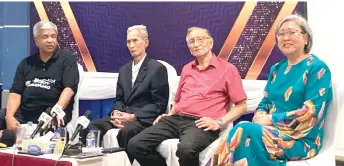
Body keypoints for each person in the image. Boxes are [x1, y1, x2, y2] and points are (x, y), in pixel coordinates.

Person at [209, 14, 333, 166]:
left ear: (306, 38)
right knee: (243, 136)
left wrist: (270, 120)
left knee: (244, 131)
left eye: (292, 32)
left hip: (301, 139)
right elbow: (266, 101)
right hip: (271, 131)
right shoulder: (276, 69)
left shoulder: (317, 68)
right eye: (281, 34)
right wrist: (260, 114)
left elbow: (311, 113)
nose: (285, 38)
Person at [127, 27, 248, 166]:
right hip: (176, 119)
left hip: (201, 123)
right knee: (135, 144)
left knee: (186, 150)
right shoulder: (187, 68)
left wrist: (219, 122)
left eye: (200, 39)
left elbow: (242, 105)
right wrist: (170, 113)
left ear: (211, 43)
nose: (196, 44)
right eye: (191, 41)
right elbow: (178, 100)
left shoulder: (228, 69)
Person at [83, 25, 169, 161]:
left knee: (127, 132)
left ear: (146, 42)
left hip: (142, 119)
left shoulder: (157, 69)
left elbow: (159, 104)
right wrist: (115, 113)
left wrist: (133, 116)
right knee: (91, 127)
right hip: (123, 115)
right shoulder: (124, 70)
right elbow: (119, 99)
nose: (131, 45)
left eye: (135, 41)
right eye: (128, 42)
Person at [0, 21, 79, 130]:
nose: (50, 40)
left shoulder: (67, 59)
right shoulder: (26, 63)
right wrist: (9, 116)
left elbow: (69, 89)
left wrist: (57, 110)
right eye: (45, 37)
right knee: (4, 116)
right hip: (25, 112)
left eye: (53, 36)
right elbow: (15, 92)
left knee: (51, 127)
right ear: (37, 41)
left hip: (52, 111)